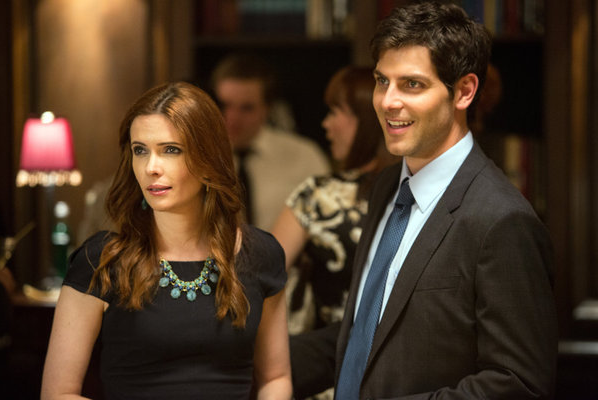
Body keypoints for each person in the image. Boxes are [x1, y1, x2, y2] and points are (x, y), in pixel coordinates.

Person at [297, 2, 558, 399]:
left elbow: (517, 383)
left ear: (464, 91)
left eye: (412, 85)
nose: (387, 101)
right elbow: (370, 333)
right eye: (382, 81)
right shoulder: (388, 186)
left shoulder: (501, 221)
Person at [41, 82, 292, 400]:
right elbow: (58, 393)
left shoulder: (261, 254)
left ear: (208, 157)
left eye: (170, 150)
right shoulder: (101, 260)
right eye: (140, 150)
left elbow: (276, 378)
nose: (151, 167)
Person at [272, 66, 397, 335]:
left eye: (334, 111)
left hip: (327, 353)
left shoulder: (319, 196)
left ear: (365, 118)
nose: (326, 124)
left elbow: (263, 275)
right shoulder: (417, 190)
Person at [211, 53, 331, 230]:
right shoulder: (198, 155)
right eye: (224, 105)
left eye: (247, 108)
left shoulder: (304, 156)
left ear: (267, 108)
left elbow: (328, 223)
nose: (233, 118)